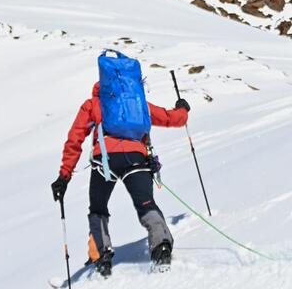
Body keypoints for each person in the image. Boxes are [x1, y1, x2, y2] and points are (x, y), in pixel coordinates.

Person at [50, 82, 191, 274]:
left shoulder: (93, 104)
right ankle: (161, 247)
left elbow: (75, 139)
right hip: (136, 158)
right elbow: (169, 118)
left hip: (105, 160)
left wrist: (64, 176)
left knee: (98, 208)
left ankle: (101, 257)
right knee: (146, 203)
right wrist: (182, 109)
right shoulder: (135, 103)